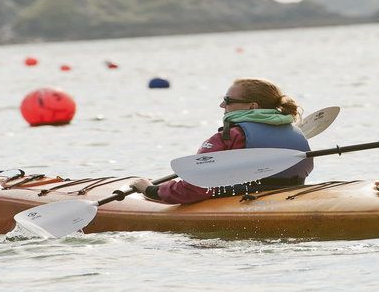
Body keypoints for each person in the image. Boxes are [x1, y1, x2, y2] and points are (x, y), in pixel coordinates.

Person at [130, 78, 314, 204]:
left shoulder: (229, 136)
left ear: (252, 106)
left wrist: (150, 190)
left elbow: (194, 189)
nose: (222, 105)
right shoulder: (294, 131)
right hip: (290, 193)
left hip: (243, 199)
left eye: (228, 100)